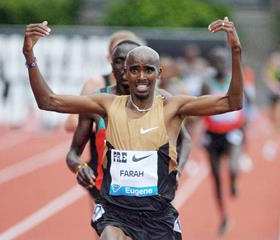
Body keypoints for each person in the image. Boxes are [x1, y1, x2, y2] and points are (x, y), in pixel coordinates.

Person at [23, 17, 243, 239]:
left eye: (148, 70)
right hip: (116, 211)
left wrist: (235, 50)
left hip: (158, 214)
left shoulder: (172, 105)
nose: (141, 77)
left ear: (158, 73)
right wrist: (30, 56)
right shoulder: (106, 103)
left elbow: (231, 102)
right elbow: (49, 101)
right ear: (124, 72)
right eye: (134, 70)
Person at [66, 40, 191, 200]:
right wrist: (80, 167)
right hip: (107, 191)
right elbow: (73, 154)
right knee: (106, 223)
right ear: (112, 66)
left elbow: (185, 140)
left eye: (131, 62)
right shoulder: (97, 102)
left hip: (149, 193)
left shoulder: (162, 100)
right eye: (119, 62)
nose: (125, 68)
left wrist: (177, 172)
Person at [200, 47, 245, 236]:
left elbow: (245, 101)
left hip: (233, 132)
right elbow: (199, 105)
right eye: (217, 61)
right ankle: (223, 216)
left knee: (233, 168)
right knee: (216, 177)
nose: (220, 65)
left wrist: (246, 128)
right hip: (212, 134)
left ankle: (234, 180)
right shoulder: (206, 82)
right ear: (212, 64)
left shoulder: (233, 80)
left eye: (223, 61)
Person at [64, 30, 138, 132]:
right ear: (109, 58)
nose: (124, 62)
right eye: (118, 53)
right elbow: (71, 123)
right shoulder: (96, 84)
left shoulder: (144, 87)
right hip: (101, 147)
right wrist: (102, 124)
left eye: (129, 54)